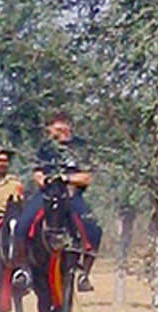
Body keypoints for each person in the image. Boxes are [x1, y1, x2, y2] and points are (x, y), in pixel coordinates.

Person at [11, 111, 102, 291]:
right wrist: (44, 180)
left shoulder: (80, 147)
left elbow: (87, 178)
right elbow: (37, 173)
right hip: (47, 194)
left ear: (69, 128)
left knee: (94, 228)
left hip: (71, 195)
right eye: (55, 128)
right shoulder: (45, 148)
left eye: (63, 128)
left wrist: (66, 179)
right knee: (22, 225)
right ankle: (23, 269)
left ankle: (84, 274)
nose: (59, 132)